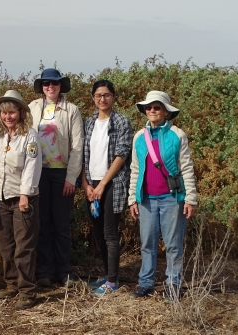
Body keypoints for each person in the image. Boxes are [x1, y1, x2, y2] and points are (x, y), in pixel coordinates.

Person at [128, 91, 197, 302]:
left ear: (166, 111)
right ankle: (146, 283)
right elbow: (135, 169)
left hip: (172, 198)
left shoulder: (177, 135)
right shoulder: (139, 137)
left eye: (156, 107)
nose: (151, 111)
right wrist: (133, 197)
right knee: (147, 243)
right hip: (147, 199)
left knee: (173, 244)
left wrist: (190, 198)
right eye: (148, 107)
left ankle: (173, 284)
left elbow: (186, 168)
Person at [28, 68, 84, 288]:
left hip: (62, 172)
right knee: (42, 223)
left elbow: (78, 146)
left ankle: (65, 270)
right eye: (46, 84)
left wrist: (72, 177)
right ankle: (45, 270)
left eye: (54, 83)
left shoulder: (71, 110)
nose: (50, 87)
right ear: (41, 86)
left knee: (61, 224)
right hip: (38, 171)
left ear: (61, 86)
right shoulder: (33, 107)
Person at [81, 79, 133, 295]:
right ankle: (107, 274)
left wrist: (102, 184)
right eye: (98, 95)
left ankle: (112, 281)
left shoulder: (121, 122)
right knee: (99, 231)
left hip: (111, 183)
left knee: (110, 232)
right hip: (91, 184)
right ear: (93, 98)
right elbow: (82, 155)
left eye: (106, 95)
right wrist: (85, 185)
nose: (102, 99)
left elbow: (122, 154)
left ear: (113, 97)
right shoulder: (88, 123)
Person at [0, 90, 42, 310]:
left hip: (23, 198)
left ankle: (27, 290)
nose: (8, 117)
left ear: (20, 113)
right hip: (1, 197)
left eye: (12, 112)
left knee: (24, 246)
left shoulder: (29, 136)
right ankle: (11, 282)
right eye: (4, 113)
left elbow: (32, 165)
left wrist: (25, 194)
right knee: (5, 244)